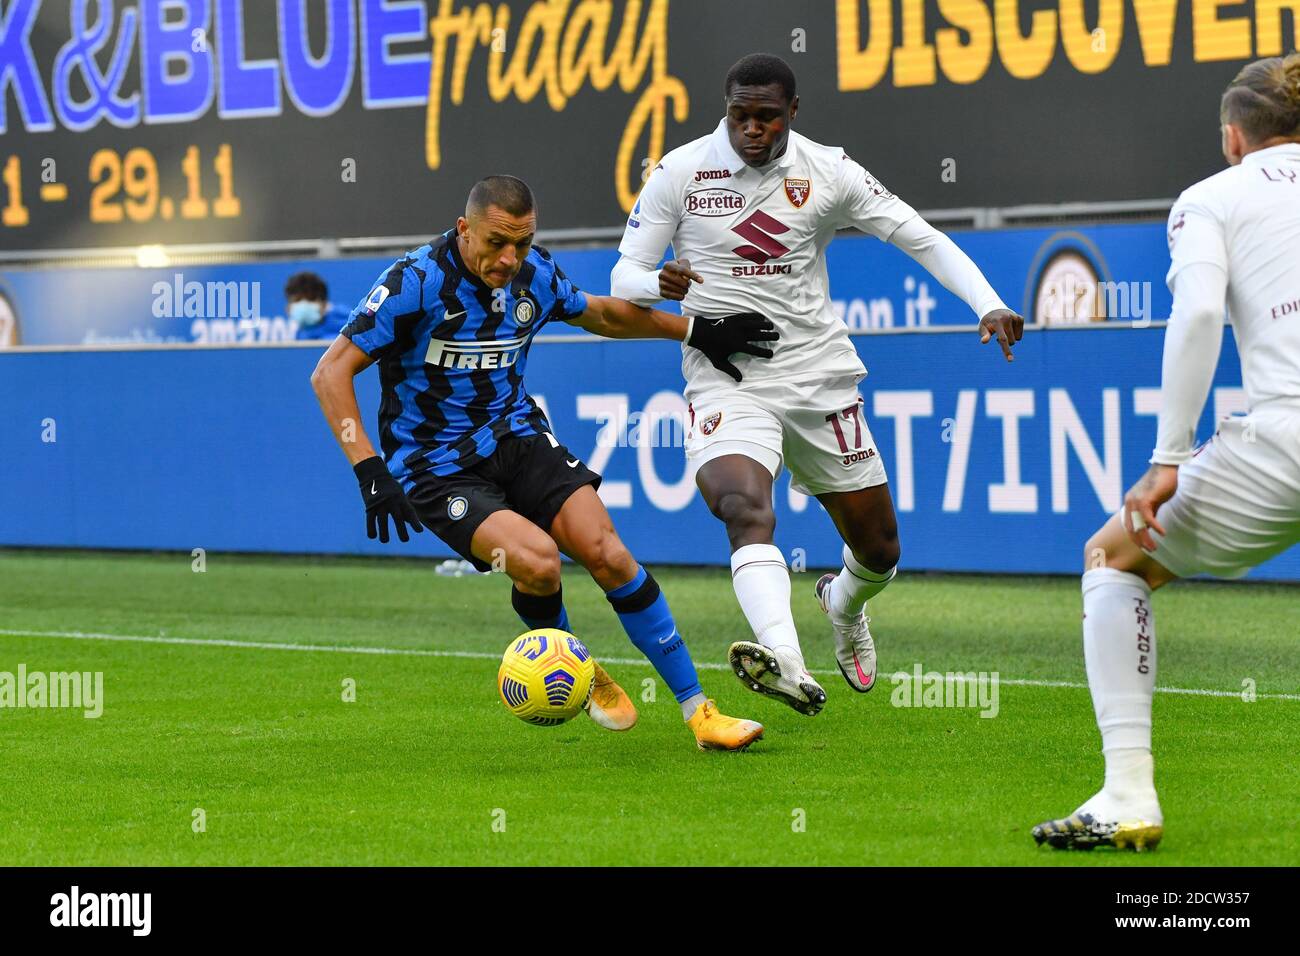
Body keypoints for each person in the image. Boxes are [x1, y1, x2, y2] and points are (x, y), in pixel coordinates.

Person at [611, 53, 1022, 715]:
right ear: (726, 109)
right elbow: (623, 276)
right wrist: (659, 284)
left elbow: (919, 237)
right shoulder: (679, 172)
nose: (752, 129)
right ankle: (788, 662)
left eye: (767, 116)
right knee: (743, 507)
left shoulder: (828, 170)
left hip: (819, 378)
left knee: (881, 549)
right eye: (739, 114)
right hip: (728, 376)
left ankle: (843, 604)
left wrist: (988, 303)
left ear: (792, 113)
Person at [311, 174, 775, 751]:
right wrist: (368, 469)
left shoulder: (536, 274)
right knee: (538, 564)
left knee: (608, 553)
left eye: (522, 243)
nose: (509, 259)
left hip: (518, 437)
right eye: (496, 242)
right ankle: (579, 669)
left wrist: (697, 330)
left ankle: (700, 712)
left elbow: (604, 315)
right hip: (436, 465)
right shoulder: (416, 282)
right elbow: (330, 372)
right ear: (464, 229)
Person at [1034, 55, 1300, 851]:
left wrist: (1168, 457)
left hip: (1286, 441)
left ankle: (1128, 793)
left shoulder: (1211, 199)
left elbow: (1195, 320)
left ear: (1231, 137)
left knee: (1114, 558)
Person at [287, 271, 349, 341]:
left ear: (324, 304)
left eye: (311, 299)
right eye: (297, 300)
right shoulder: (300, 335)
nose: (304, 305)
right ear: (288, 308)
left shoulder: (349, 328)